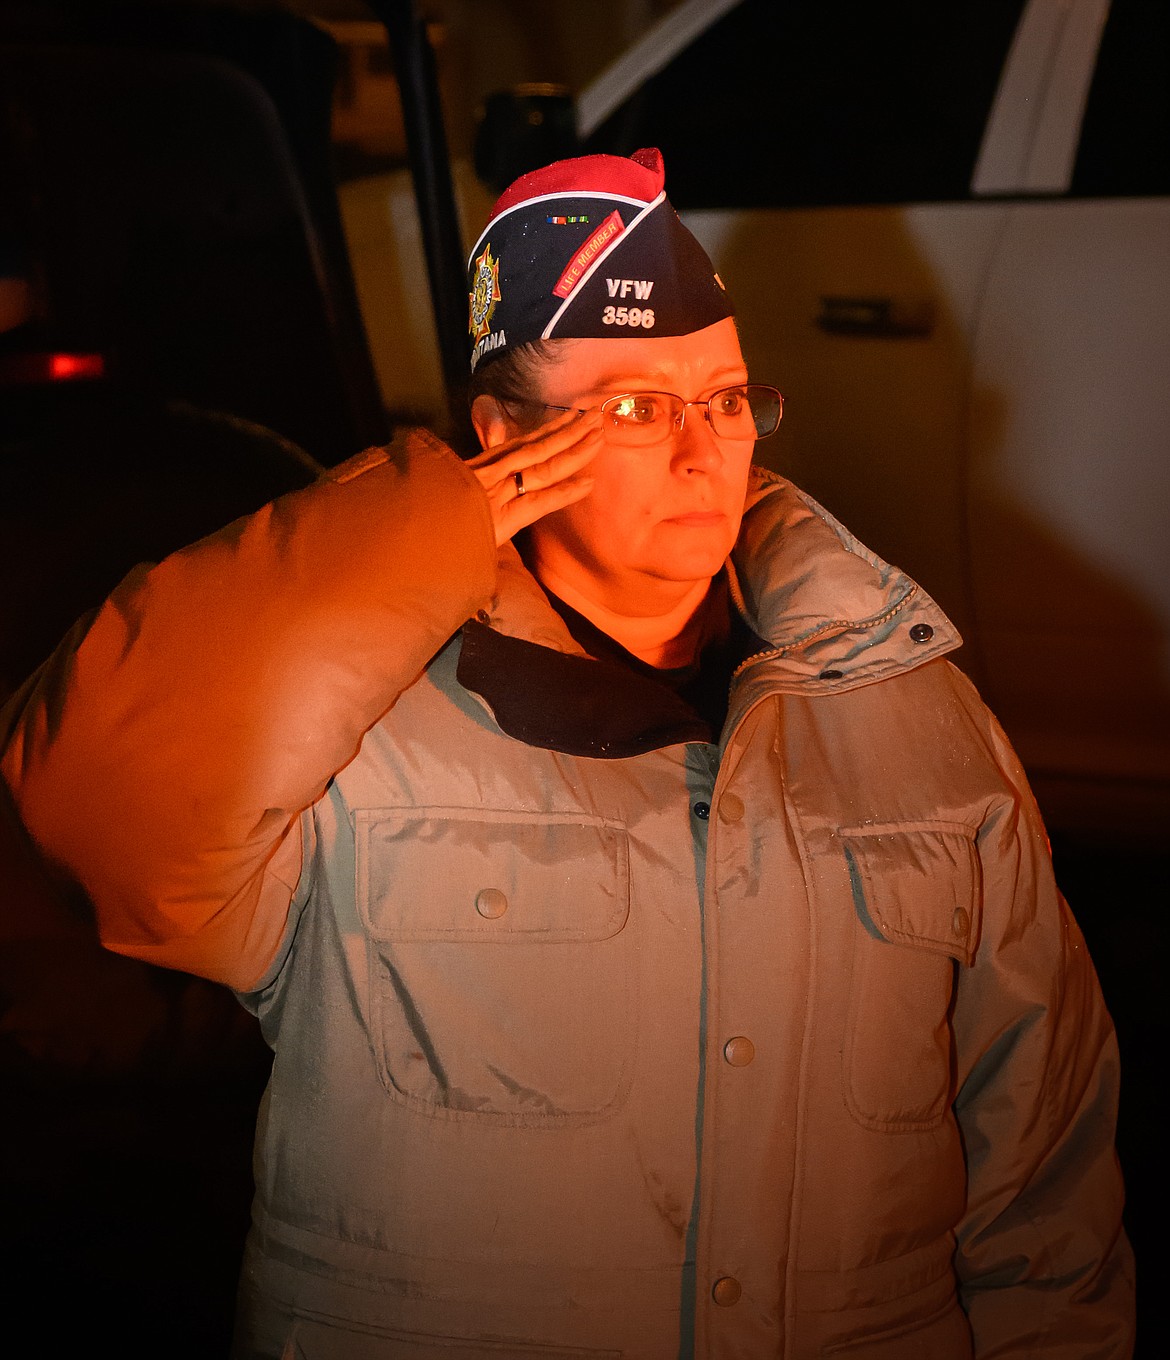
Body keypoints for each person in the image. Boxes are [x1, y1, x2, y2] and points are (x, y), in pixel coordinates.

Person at [0, 149, 1133, 1358]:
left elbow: (1043, 1174)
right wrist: (425, 521)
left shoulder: (914, 711)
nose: (708, 456)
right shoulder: (355, 735)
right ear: (502, 437)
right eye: (639, 408)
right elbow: (91, 799)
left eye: (730, 398)